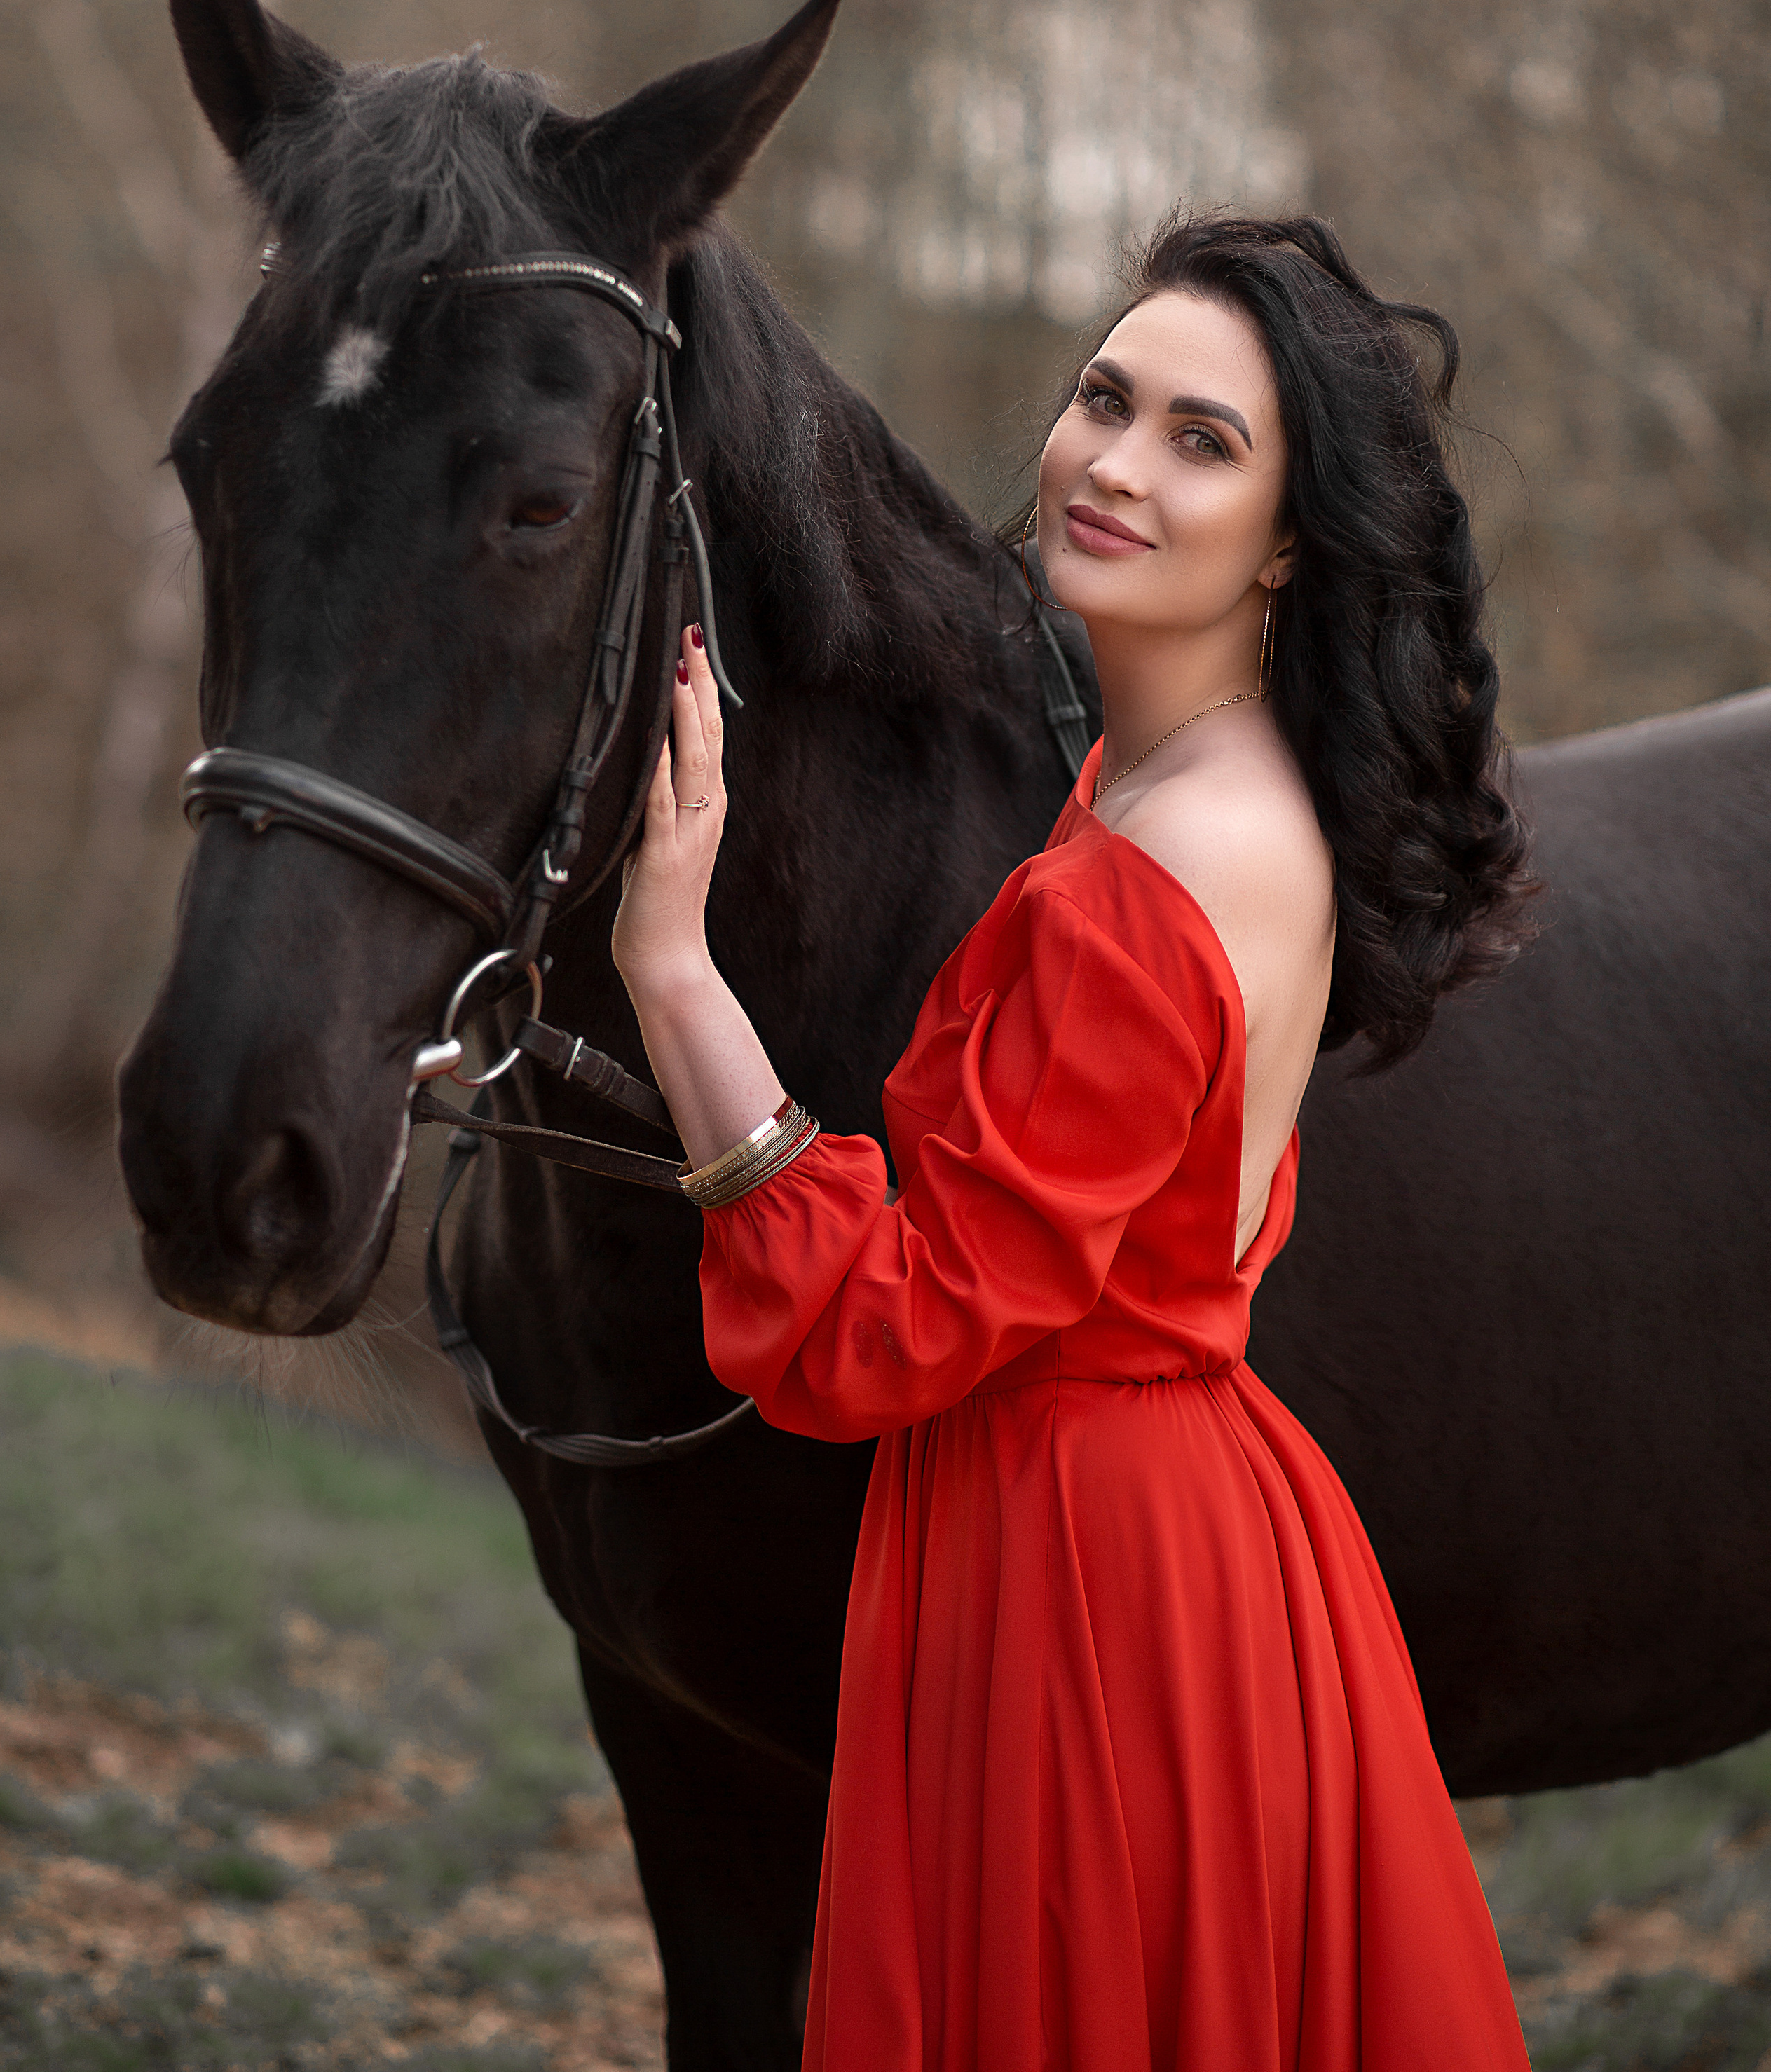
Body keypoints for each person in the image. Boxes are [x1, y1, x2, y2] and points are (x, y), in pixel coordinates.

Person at [612, 212, 1536, 2072]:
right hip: (1177, 1524)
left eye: (1204, 440)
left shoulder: (1158, 871)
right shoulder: (1197, 783)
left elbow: (887, 1331)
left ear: (1288, 542)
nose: (1116, 462)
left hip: (1086, 1591)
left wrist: (672, 969)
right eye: (1107, 398)